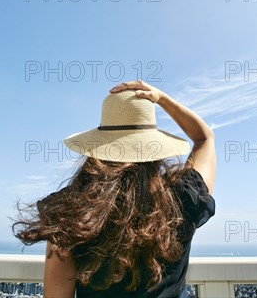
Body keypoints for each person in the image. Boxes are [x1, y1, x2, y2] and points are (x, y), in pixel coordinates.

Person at [11, 80, 216, 298]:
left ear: (97, 150)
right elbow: (204, 139)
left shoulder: (70, 214)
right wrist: (161, 98)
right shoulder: (182, 196)